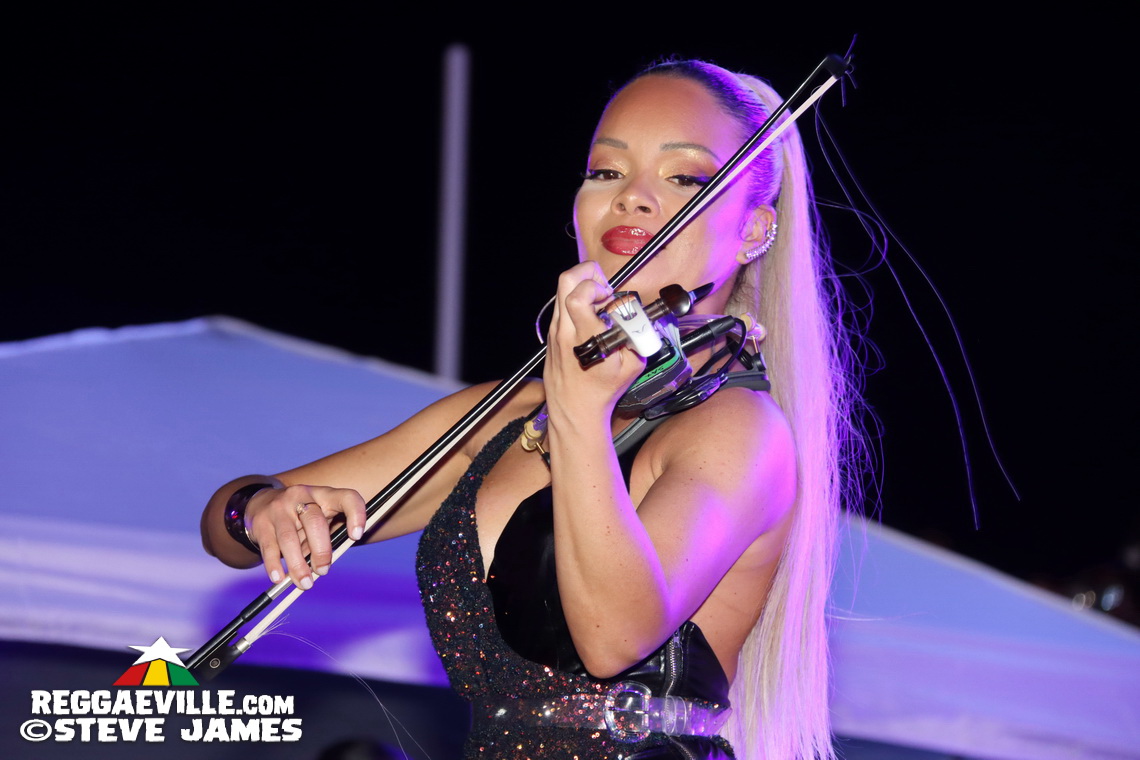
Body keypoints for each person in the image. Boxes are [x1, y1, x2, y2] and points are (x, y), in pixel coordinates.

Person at [201, 59, 855, 760]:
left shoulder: (738, 429)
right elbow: (224, 530)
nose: (632, 199)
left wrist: (579, 413)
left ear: (756, 232)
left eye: (683, 179)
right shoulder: (511, 411)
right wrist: (263, 510)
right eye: (606, 172)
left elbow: (610, 639)